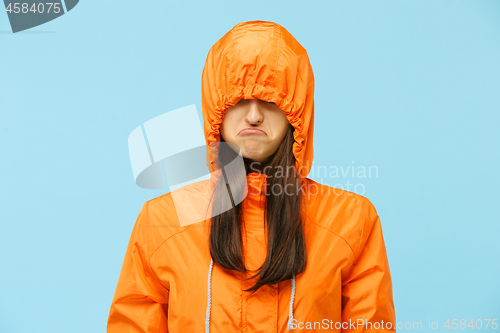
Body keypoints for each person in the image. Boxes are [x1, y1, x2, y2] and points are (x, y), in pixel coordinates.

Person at [107, 20, 396, 332]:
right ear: (216, 109)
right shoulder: (163, 221)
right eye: (239, 100)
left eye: (271, 100)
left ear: (294, 113)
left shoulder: (350, 220)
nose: (254, 115)